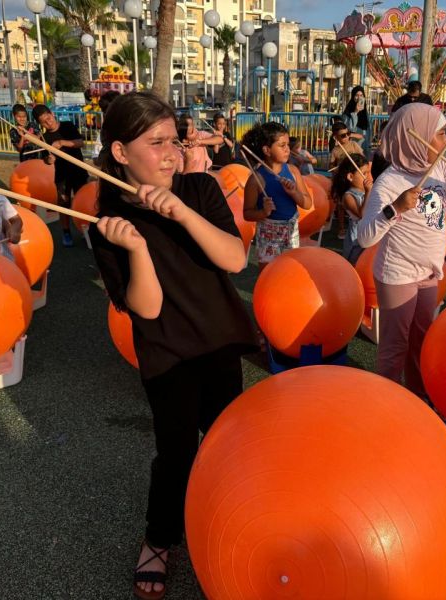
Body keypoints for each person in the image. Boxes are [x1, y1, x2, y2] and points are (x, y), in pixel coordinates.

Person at [86, 92, 258, 600]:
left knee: (232, 445)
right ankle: (159, 538)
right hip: (167, 356)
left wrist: (182, 212)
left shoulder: (200, 188)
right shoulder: (109, 223)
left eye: (175, 142)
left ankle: (242, 523)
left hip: (219, 342)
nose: (170, 154)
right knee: (177, 451)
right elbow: (149, 309)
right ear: (120, 152)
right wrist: (135, 247)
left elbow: (234, 260)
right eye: (155, 142)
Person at [357, 103, 446, 395]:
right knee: (395, 345)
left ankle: (417, 400)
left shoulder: (442, 168)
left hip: (430, 273)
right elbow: (365, 237)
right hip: (398, 274)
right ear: (415, 139)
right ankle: (386, 401)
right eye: (441, 134)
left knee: (422, 339)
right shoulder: (389, 182)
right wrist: (396, 208)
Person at [242, 122, 312, 270]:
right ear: (267, 150)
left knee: (290, 271)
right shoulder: (256, 180)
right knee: (268, 274)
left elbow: (307, 204)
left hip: (291, 229)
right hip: (268, 232)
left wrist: (294, 193)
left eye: (287, 144)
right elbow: (247, 213)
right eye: (282, 145)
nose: (288, 149)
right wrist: (263, 212)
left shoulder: (293, 171)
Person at [33, 104, 86, 247]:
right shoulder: (44, 138)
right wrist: (49, 160)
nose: (48, 122)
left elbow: (81, 143)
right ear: (40, 123)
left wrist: (62, 142)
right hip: (62, 175)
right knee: (64, 204)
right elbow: (46, 159)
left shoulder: (67, 126)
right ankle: (66, 232)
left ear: (52, 113)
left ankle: (85, 230)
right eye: (44, 121)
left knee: (83, 202)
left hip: (79, 171)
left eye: (48, 118)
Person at [331, 152, 371, 264]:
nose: (367, 176)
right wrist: (368, 193)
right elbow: (361, 214)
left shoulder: (366, 191)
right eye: (364, 173)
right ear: (350, 177)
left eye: (368, 172)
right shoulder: (348, 196)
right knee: (356, 262)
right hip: (357, 237)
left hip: (369, 232)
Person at [91, 90, 121, 163]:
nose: (104, 114)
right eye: (103, 111)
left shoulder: (129, 125)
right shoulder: (106, 128)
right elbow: (97, 158)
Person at [341, 85, 371, 152]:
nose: (359, 98)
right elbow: (349, 129)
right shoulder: (347, 114)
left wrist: (368, 147)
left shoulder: (365, 113)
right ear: (353, 97)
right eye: (357, 95)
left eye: (361, 95)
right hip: (352, 148)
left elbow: (368, 132)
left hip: (364, 147)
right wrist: (355, 112)